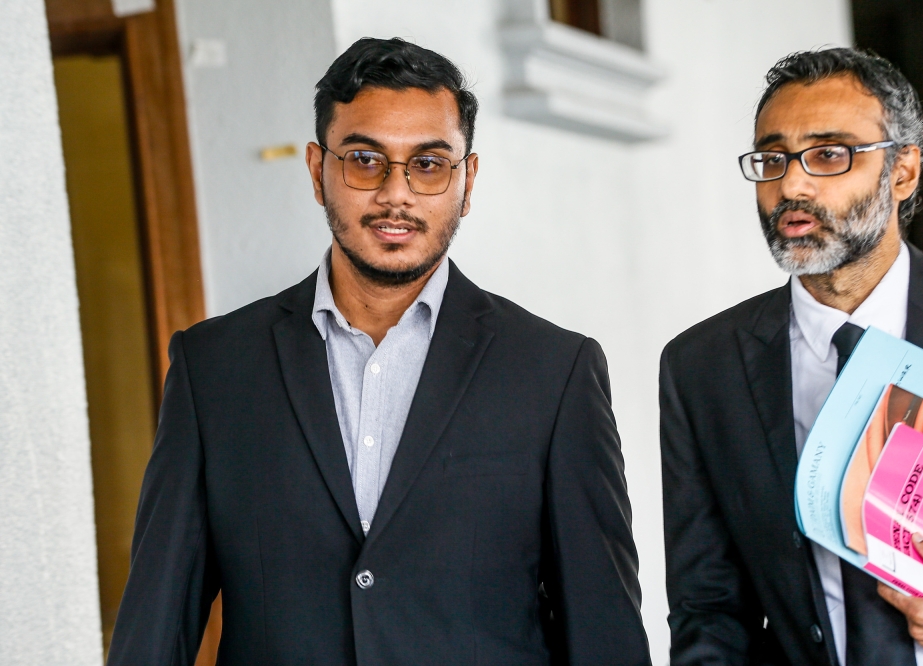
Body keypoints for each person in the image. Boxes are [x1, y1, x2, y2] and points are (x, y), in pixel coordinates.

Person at [108, 37, 650, 665]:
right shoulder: (214, 368)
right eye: (365, 160)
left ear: (466, 180)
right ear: (318, 171)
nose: (397, 193)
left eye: (428, 163)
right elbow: (157, 621)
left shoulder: (554, 372)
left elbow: (603, 629)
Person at [660, 47, 923, 666]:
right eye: (772, 159)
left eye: (828, 154)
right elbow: (709, 607)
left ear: (903, 172)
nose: (791, 184)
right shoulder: (700, 366)